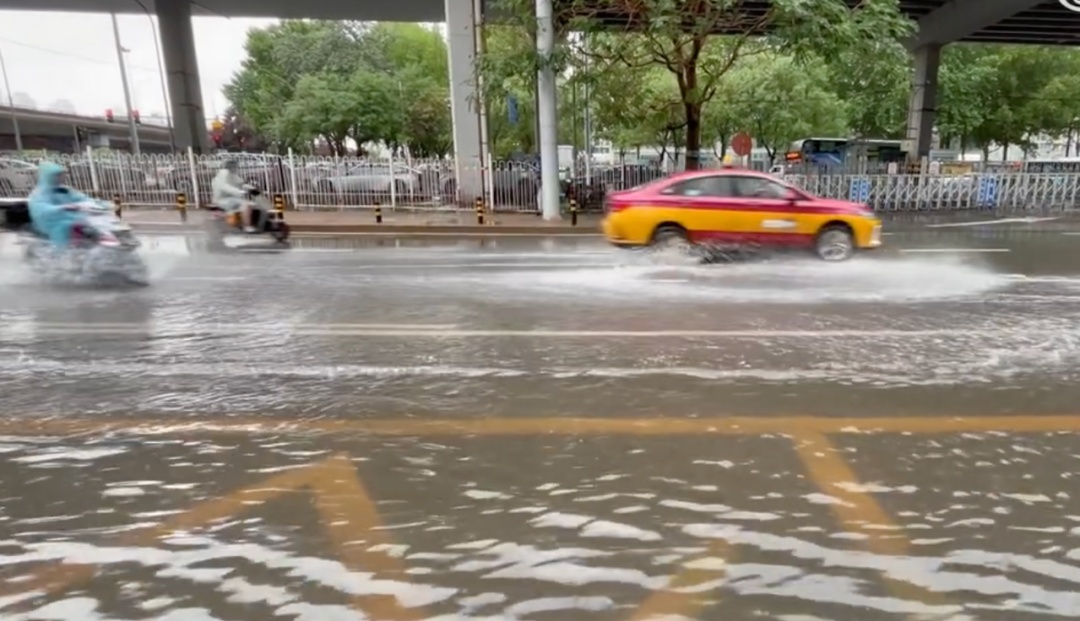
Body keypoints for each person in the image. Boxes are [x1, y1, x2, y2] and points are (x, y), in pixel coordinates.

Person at [28, 161, 93, 248]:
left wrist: (100, 204)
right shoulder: (39, 193)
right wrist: (62, 207)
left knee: (90, 223)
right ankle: (61, 252)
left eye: (62, 175)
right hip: (52, 221)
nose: (62, 177)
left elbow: (81, 198)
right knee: (64, 227)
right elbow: (40, 208)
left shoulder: (64, 189)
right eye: (58, 175)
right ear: (48, 177)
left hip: (69, 216)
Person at [211, 159, 257, 233]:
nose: (237, 167)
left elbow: (240, 183)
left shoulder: (232, 174)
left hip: (231, 198)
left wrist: (251, 188)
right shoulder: (224, 173)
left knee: (250, 204)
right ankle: (247, 226)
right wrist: (239, 192)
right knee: (246, 205)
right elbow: (224, 186)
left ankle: (239, 221)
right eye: (236, 166)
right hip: (223, 199)